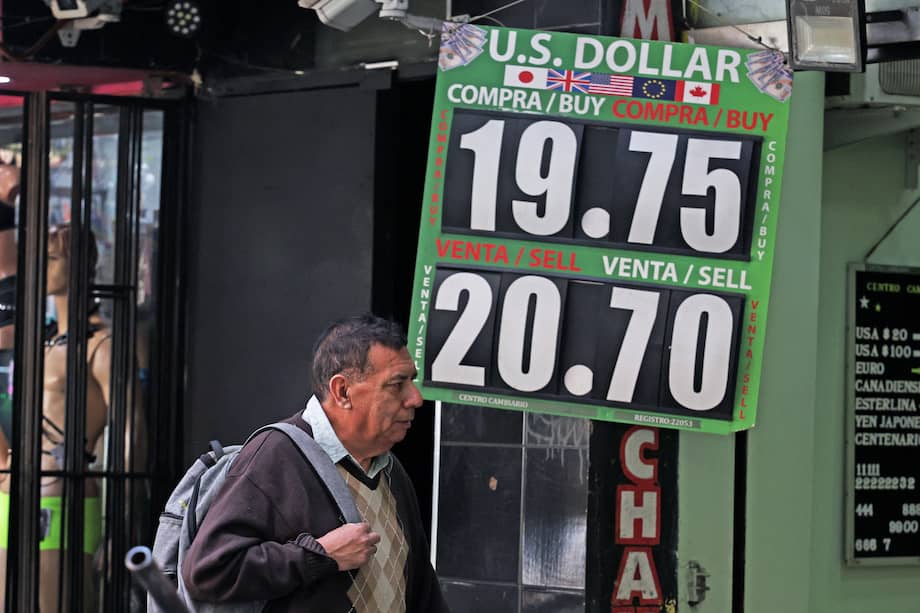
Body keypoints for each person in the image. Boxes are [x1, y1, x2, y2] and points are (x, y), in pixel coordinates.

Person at [182, 314, 449, 612]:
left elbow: (423, 592)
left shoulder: (390, 469)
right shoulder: (276, 456)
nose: (415, 398)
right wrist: (320, 555)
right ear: (342, 391)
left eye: (411, 381)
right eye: (397, 384)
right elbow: (208, 570)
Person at [0, 225, 110, 612]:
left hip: (62, 497)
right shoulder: (41, 341)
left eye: (52, 259)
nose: (41, 268)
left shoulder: (101, 346)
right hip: (13, 491)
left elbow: (134, 439)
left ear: (79, 266)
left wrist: (122, 527)